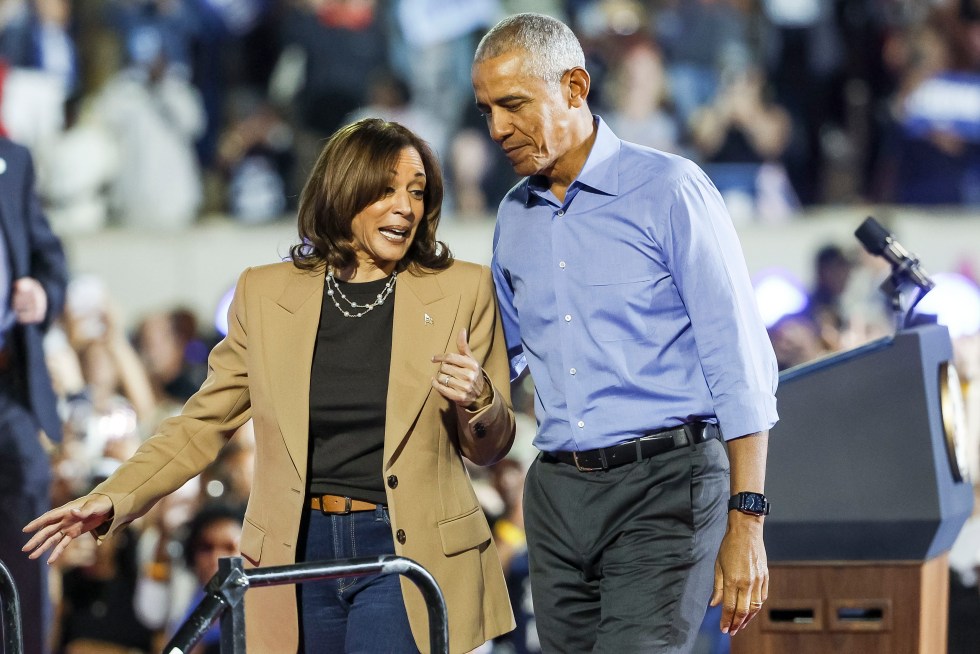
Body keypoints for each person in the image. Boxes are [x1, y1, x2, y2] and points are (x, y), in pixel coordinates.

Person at [23, 118, 517, 654]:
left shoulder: (462, 290)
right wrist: (111, 499)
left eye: (417, 192)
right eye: (387, 189)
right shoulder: (265, 294)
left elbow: (489, 446)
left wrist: (480, 400)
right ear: (344, 190)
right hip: (295, 552)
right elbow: (200, 424)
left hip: (405, 551)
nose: (406, 207)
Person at [472, 13, 778, 653]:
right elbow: (500, 361)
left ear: (576, 87)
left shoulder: (670, 190)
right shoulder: (513, 216)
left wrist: (747, 520)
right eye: (487, 110)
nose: (498, 128)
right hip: (555, 495)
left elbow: (739, 361)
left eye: (514, 105)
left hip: (665, 485)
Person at [0, 135, 69, 654]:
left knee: (28, 519)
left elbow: (49, 256)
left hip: (9, 383)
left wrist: (43, 293)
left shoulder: (14, 159)